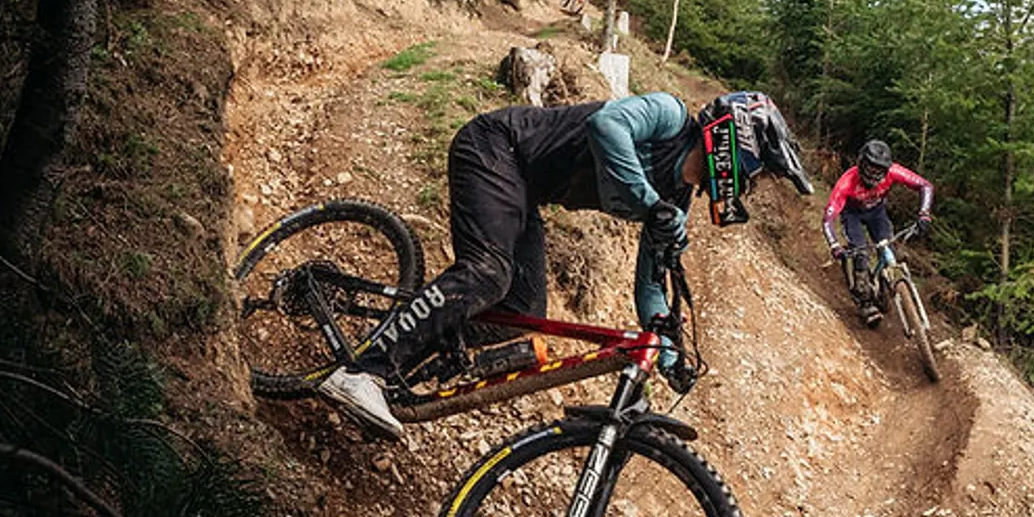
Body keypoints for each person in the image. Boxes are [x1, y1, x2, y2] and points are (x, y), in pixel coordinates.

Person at [317, 90, 813, 437]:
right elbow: (607, 125)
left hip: (526, 189)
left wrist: (668, 354)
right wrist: (648, 204)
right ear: (739, 144)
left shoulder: (676, 199)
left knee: (522, 307)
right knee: (489, 271)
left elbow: (649, 288)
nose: (754, 185)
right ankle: (364, 371)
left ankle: (398, 357)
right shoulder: (667, 115)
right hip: (496, 148)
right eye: (761, 172)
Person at [822, 138, 934, 326]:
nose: (874, 173)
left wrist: (924, 214)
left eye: (879, 169)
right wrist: (834, 245)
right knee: (860, 254)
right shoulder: (846, 183)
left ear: (886, 169)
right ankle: (865, 302)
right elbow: (828, 217)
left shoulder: (893, 172)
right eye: (870, 167)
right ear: (861, 163)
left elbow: (926, 186)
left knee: (889, 248)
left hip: (877, 213)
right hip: (853, 215)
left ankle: (885, 286)